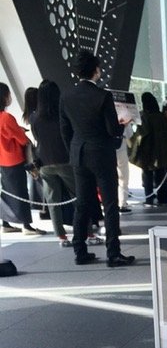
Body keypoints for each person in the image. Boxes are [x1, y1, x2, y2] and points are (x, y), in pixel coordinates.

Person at [59, 50, 134, 267]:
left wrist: (74, 150)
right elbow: (112, 130)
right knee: (109, 204)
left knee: (82, 204)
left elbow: (65, 130)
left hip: (79, 154)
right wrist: (123, 124)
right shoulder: (103, 96)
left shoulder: (66, 96)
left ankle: (80, 251)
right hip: (101, 154)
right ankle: (113, 253)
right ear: (96, 70)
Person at [31, 79, 102, 247]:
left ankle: (61, 237)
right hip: (66, 161)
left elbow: (37, 138)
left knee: (53, 202)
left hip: (45, 163)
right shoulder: (63, 113)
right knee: (79, 197)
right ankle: (88, 233)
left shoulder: (35, 118)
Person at [0, 82, 45, 234]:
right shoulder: (6, 117)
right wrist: (25, 137)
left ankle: (6, 222)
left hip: (2, 159)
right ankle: (26, 225)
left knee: (7, 192)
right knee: (20, 192)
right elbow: (20, 139)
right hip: (14, 158)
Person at [129, 92, 167, 206]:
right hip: (162, 150)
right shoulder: (161, 116)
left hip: (148, 150)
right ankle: (162, 199)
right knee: (161, 174)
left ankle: (149, 198)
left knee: (147, 174)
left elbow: (141, 134)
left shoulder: (144, 116)